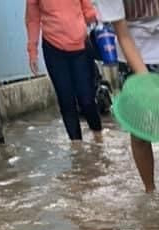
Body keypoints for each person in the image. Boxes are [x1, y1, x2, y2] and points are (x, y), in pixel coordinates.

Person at [95, 0, 159, 196]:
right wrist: (147, 82)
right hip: (134, 54)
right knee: (139, 134)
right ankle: (150, 192)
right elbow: (122, 34)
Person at [25, 0, 104, 142]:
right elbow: (33, 19)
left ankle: (99, 138)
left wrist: (96, 22)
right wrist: (32, 51)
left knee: (87, 100)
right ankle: (77, 147)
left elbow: (88, 10)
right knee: (66, 101)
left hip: (81, 46)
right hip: (53, 48)